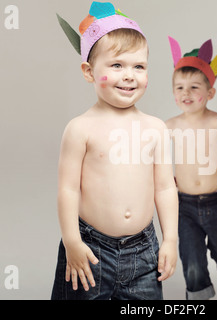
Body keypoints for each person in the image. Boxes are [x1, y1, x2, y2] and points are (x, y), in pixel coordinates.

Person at [51, 2, 178, 300]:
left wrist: (170, 238)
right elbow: (68, 189)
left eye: (139, 66)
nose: (130, 75)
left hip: (143, 250)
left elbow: (164, 188)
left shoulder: (155, 128)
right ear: (89, 71)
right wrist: (71, 241)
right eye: (117, 65)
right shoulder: (80, 129)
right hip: (89, 250)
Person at [166, 37, 217, 300]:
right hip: (184, 206)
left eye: (193, 87)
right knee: (191, 260)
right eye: (179, 87)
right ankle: (198, 296)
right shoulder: (170, 125)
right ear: (173, 93)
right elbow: (149, 154)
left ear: (210, 93)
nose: (185, 93)